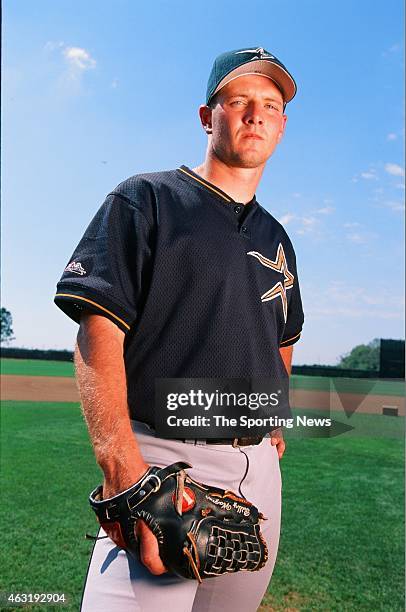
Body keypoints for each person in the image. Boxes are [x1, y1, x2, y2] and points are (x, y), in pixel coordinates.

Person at [55, 46, 304, 612]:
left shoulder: (279, 238)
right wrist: (122, 467)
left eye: (270, 104)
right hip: (164, 464)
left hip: (259, 474)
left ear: (283, 124)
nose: (255, 114)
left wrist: (274, 422)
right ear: (206, 116)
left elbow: (282, 337)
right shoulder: (147, 199)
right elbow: (99, 328)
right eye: (238, 100)